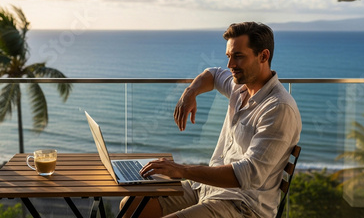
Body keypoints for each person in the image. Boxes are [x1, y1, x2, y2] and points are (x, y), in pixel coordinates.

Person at [120, 21, 302, 218]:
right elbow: (213, 74)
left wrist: (181, 170)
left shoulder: (278, 108)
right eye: (229, 56)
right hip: (208, 189)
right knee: (131, 203)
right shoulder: (239, 86)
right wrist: (190, 92)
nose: (230, 65)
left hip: (242, 206)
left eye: (238, 57)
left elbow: (248, 174)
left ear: (263, 56)